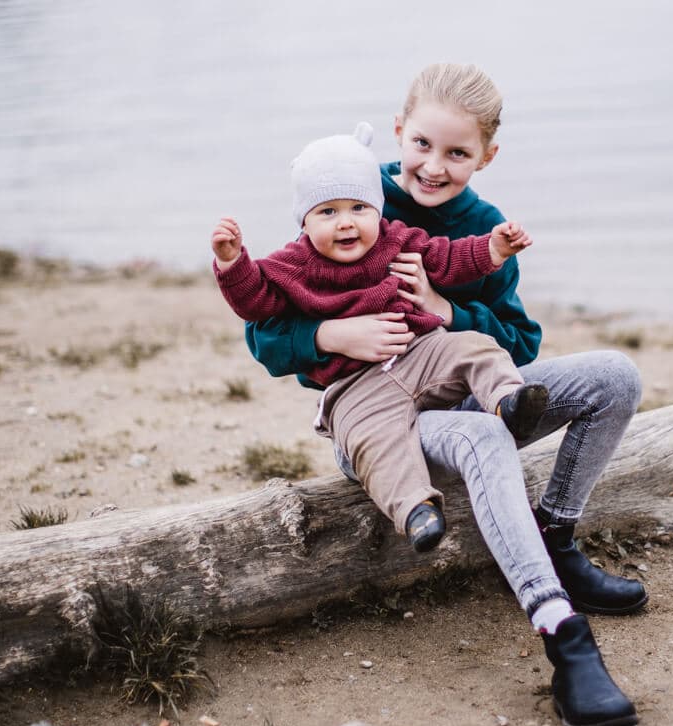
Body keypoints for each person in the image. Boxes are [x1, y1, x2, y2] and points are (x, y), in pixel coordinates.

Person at [244, 64, 647, 726]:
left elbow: (520, 341)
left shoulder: (484, 229)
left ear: (486, 156)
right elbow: (265, 331)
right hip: (378, 429)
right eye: (422, 146)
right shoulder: (348, 195)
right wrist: (329, 333)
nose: (434, 167)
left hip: (463, 389)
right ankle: (563, 636)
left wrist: (445, 308)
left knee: (616, 376)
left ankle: (554, 537)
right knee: (484, 439)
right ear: (399, 132)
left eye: (457, 154)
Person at [211, 122, 550, 554]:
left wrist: (493, 250)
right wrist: (232, 264)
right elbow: (257, 300)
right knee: (376, 439)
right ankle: (416, 510)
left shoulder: (398, 241)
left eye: (358, 208)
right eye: (327, 212)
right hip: (356, 385)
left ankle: (509, 402)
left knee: (473, 346)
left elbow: (449, 260)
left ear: (377, 208)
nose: (346, 223)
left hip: (421, 352)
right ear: (304, 221)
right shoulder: (294, 263)